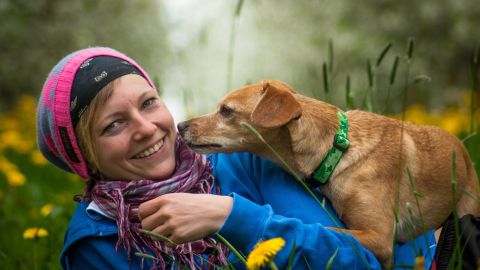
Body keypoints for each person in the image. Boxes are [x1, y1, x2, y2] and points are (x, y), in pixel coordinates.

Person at [37, 47, 437, 270]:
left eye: (149, 103)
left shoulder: (249, 159)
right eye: (113, 125)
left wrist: (232, 218)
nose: (146, 128)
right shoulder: (94, 243)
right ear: (84, 157)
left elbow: (363, 262)